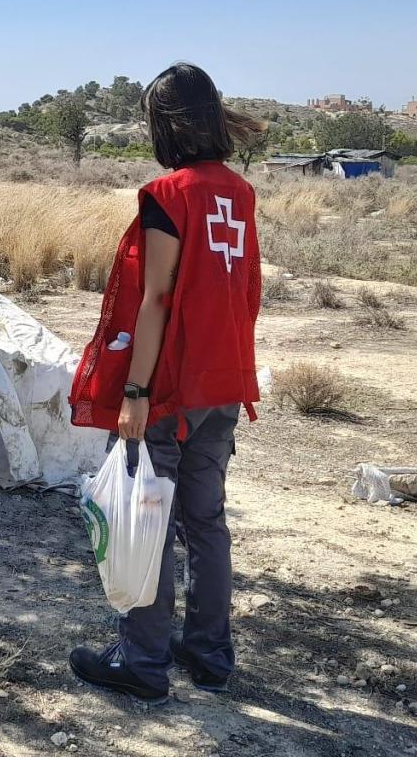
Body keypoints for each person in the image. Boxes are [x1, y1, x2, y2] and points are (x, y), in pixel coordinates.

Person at [67, 62, 265, 705]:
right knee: (206, 522)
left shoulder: (168, 194)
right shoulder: (238, 192)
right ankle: (210, 653)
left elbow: (154, 299)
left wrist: (134, 392)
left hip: (172, 389)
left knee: (145, 515)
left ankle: (144, 662)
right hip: (225, 381)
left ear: (163, 124)